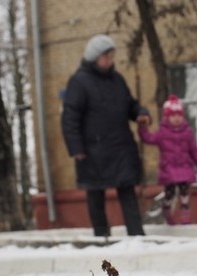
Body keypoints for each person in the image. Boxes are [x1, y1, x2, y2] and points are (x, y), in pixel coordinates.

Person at [60, 34, 150, 237]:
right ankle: (101, 237)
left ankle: (137, 236)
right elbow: (70, 118)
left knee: (127, 191)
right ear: (94, 57)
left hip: (120, 146)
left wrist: (141, 113)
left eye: (111, 57)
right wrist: (76, 148)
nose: (110, 61)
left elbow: (130, 104)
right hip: (93, 150)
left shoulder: (117, 80)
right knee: (95, 194)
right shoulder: (79, 82)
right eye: (106, 57)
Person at [138, 95, 197, 225]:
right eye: (173, 115)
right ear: (167, 117)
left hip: (185, 166)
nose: (176, 118)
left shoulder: (187, 132)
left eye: (179, 115)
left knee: (184, 189)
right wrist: (142, 128)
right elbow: (148, 138)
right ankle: (166, 208)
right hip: (169, 167)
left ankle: (185, 213)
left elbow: (194, 150)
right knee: (170, 192)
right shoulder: (163, 133)